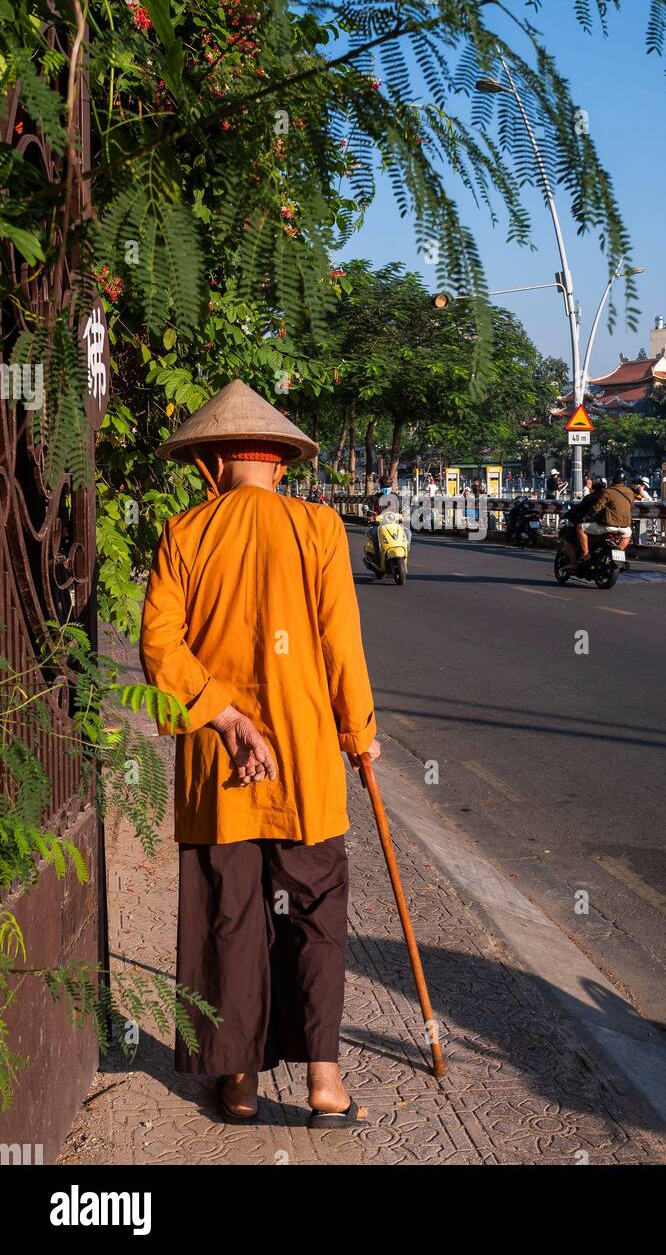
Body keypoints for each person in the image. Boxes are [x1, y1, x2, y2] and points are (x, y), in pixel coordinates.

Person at [139, 379, 378, 1128]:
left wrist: (223, 713)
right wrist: (358, 730)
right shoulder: (318, 528)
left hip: (219, 773)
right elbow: (342, 645)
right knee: (315, 916)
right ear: (279, 462)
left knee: (229, 919)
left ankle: (238, 1084)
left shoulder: (185, 533)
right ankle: (325, 1084)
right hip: (305, 766)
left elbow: (159, 650)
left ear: (214, 462)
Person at [577, 471, 634, 560]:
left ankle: (586, 554)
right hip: (625, 527)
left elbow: (597, 507)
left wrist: (587, 516)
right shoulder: (630, 492)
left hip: (608, 526)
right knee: (628, 534)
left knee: (580, 527)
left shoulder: (608, 492)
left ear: (612, 480)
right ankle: (618, 551)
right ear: (624, 481)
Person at [560, 476, 606, 568]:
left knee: (569, 539)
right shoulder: (610, 497)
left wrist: (566, 515)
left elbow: (578, 509)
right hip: (609, 526)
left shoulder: (590, 497)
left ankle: (577, 560)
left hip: (594, 526)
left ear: (594, 486)